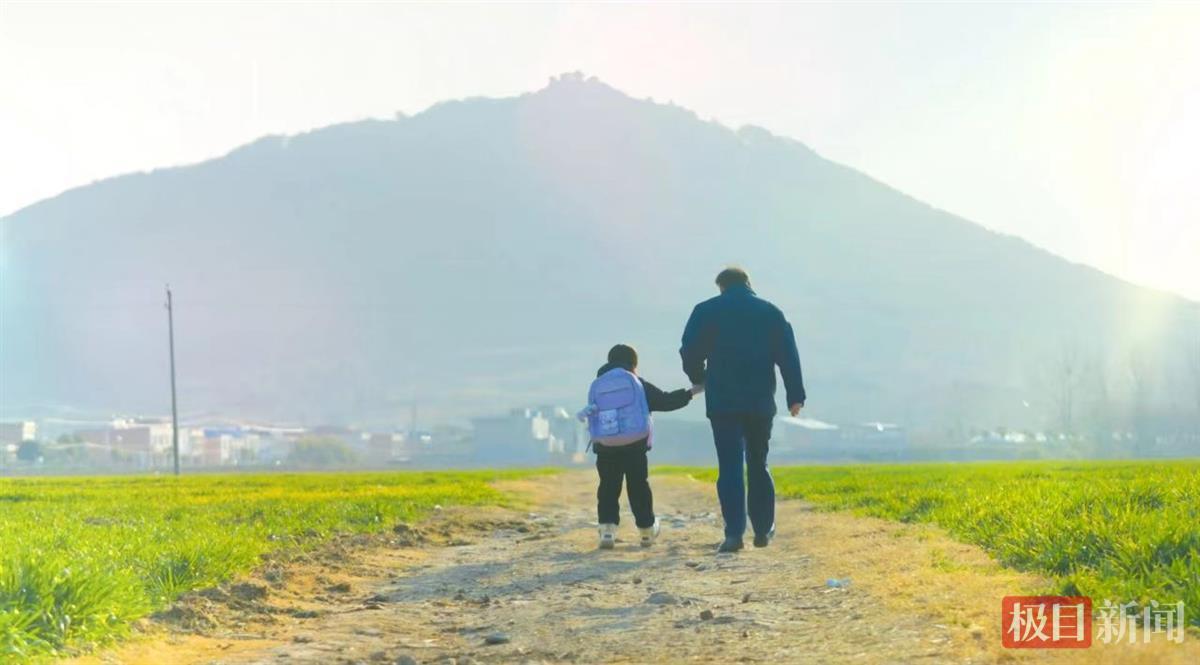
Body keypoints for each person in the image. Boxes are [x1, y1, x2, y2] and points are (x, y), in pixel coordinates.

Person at [680, 267, 806, 553]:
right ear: (748, 283)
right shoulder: (770, 312)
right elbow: (789, 355)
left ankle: (734, 534)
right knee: (758, 462)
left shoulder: (706, 310)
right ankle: (762, 529)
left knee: (729, 465)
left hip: (722, 400)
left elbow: (689, 350)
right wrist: (795, 395)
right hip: (759, 401)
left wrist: (699, 377)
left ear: (721, 286)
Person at [581, 344, 698, 549]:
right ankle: (646, 531)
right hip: (635, 445)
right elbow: (665, 401)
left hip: (606, 446)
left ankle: (607, 531)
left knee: (608, 487)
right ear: (633, 364)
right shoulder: (637, 383)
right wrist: (691, 392)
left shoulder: (598, 384)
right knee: (638, 487)